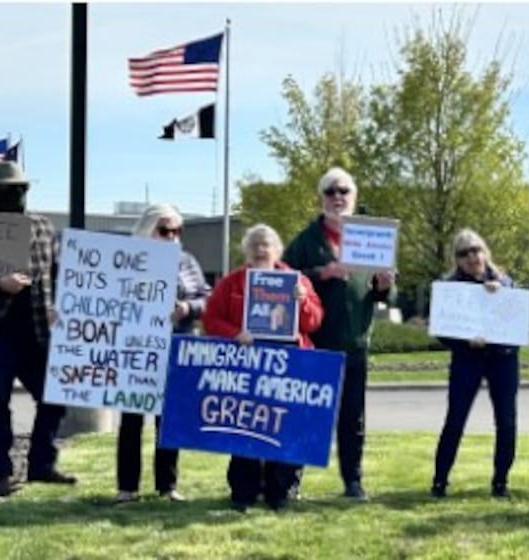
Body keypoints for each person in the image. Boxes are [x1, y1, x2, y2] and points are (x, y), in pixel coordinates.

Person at [282, 167, 396, 502]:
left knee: (353, 419)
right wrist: (323, 272)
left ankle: (353, 482)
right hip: (315, 343)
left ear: (354, 197)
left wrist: (383, 286)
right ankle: (291, 483)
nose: (338, 198)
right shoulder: (306, 241)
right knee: (306, 415)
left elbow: (378, 291)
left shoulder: (369, 239)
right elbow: (284, 280)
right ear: (321, 198)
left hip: (355, 343)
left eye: (344, 191)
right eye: (331, 191)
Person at [0, 161, 75, 496]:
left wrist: (63, 306)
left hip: (38, 330)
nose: (16, 195)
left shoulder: (42, 226)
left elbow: (58, 272)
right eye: (8, 190)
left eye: (20, 189)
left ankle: (42, 465)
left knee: (53, 398)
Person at [203, 223, 323, 512]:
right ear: (246, 250)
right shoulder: (232, 283)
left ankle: (280, 491)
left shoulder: (297, 282)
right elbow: (210, 320)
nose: (260, 249)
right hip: (247, 366)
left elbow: (315, 321)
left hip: (289, 365)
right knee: (248, 428)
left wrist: (302, 302)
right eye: (254, 244)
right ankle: (244, 491)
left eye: (266, 244)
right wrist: (234, 333)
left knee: (285, 428)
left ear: (276, 250)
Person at [115, 203, 211, 503]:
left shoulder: (187, 261)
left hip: (175, 346)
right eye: (164, 230)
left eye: (176, 231)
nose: (171, 236)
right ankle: (127, 488)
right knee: (131, 419)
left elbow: (206, 297)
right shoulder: (126, 260)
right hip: (136, 349)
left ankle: (167, 486)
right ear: (148, 229)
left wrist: (187, 308)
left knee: (168, 420)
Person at [431, 228, 520, 499]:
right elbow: (442, 331)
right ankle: (439, 481)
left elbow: (515, 317)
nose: (472, 257)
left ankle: (500, 483)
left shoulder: (505, 282)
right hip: (467, 359)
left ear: (485, 252)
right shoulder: (450, 288)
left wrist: (500, 291)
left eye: (476, 250)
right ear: (456, 259)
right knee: (455, 420)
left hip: (502, 359)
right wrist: (465, 341)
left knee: (506, 421)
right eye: (464, 253)